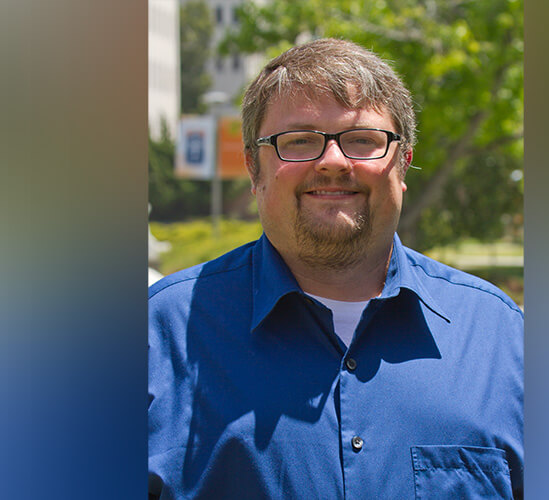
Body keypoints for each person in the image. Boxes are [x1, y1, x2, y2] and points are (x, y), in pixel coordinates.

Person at [149, 38, 523, 499]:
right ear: (253, 168)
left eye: (363, 140)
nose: (332, 162)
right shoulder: (158, 335)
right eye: (299, 141)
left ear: (403, 163)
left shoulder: (501, 339)